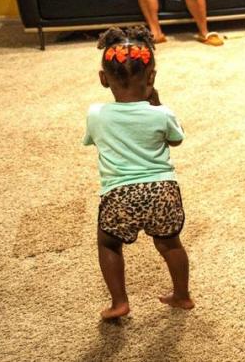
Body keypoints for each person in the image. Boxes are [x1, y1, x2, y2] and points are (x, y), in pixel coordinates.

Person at [83, 26, 194, 319]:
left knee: (108, 242)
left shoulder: (96, 115)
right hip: (162, 190)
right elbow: (176, 139)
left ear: (103, 79)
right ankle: (182, 295)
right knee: (170, 243)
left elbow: (93, 140)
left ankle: (119, 302)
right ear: (152, 77)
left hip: (119, 193)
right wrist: (156, 104)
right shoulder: (162, 113)